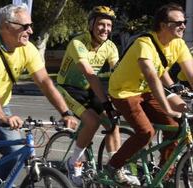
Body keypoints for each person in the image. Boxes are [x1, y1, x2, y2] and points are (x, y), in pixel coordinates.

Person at [0, 4, 78, 187]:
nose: (30, 30)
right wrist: (1, 117)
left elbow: (45, 82)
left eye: (30, 25)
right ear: (6, 26)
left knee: (17, 152)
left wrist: (65, 112)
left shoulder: (28, 49)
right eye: (25, 26)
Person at [107, 3, 193, 185]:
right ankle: (113, 166)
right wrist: (168, 108)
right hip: (123, 92)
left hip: (145, 91)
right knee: (146, 132)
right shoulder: (144, 44)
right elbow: (151, 77)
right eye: (179, 22)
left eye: (185, 22)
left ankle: (163, 174)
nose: (183, 26)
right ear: (164, 25)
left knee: (175, 127)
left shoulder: (178, 44)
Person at [55, 5, 122, 186]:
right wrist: (105, 101)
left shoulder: (110, 46)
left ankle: (115, 167)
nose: (105, 29)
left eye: (108, 25)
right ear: (91, 24)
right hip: (68, 87)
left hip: (89, 89)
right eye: (101, 24)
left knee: (112, 121)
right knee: (92, 122)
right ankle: (73, 163)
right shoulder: (78, 43)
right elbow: (90, 74)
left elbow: (118, 71)